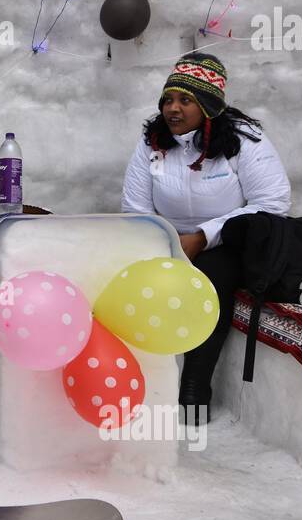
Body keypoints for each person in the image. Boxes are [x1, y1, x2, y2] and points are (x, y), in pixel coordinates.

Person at [120, 52, 292, 423]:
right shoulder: (152, 142)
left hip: (228, 240)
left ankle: (195, 384)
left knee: (212, 276)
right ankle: (141, 383)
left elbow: (273, 201)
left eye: (185, 101)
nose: (172, 109)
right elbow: (136, 208)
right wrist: (167, 243)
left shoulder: (244, 140)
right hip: (166, 240)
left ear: (209, 105)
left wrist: (204, 236)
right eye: (168, 100)